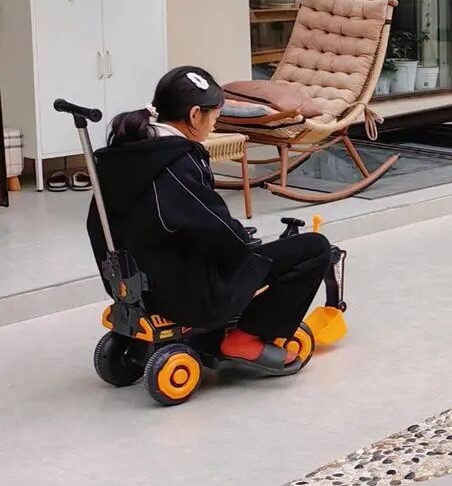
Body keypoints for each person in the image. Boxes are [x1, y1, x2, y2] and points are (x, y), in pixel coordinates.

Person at [87, 65, 333, 375]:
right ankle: (245, 338)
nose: (214, 126)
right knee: (314, 248)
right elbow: (218, 231)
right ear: (194, 116)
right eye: (214, 118)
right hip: (189, 298)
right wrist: (244, 241)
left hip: (135, 288)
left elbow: (98, 225)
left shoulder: (122, 154)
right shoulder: (177, 162)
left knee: (238, 249)